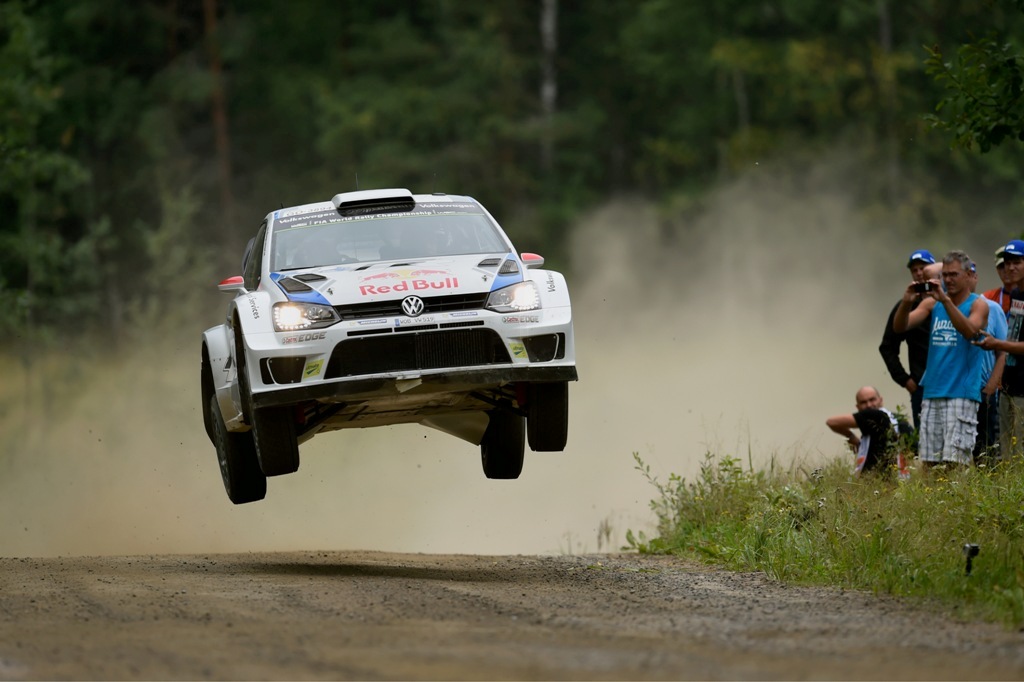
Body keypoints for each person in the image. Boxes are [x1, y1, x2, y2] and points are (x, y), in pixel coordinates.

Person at [893, 250, 989, 469]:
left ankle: (957, 503)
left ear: (968, 275)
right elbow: (900, 326)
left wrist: (946, 301)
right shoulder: (931, 304)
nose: (948, 279)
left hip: (961, 393)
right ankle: (934, 503)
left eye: (954, 274)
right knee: (930, 464)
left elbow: (970, 331)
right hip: (932, 392)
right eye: (945, 275)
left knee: (955, 463)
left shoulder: (978, 304)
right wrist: (907, 302)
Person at [974, 239, 1024, 461]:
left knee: (1020, 449)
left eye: (1017, 262)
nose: (1011, 268)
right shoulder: (1016, 296)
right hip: (1009, 382)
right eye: (1007, 263)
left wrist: (997, 344)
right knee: (1006, 450)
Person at [879, 249, 936, 432]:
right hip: (921, 385)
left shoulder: (950, 301)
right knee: (925, 438)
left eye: (924, 268)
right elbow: (887, 347)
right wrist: (905, 380)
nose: (919, 273)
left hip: (952, 383)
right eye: (915, 270)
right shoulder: (905, 306)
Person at [969, 260, 1007, 463]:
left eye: (970, 275)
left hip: (984, 389)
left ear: (975, 278)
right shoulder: (947, 309)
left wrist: (991, 389)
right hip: (958, 390)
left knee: (986, 447)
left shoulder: (992, 308)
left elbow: (1003, 351)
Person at [826, 386, 911, 477]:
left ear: (880, 400)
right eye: (863, 402)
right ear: (857, 407)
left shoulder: (875, 415)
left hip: (879, 479)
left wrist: (852, 438)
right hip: (901, 478)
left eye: (872, 400)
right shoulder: (899, 419)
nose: (869, 405)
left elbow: (832, 422)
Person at [983, 247, 1015, 315]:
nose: (1006, 270)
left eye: (1009, 265)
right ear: (997, 270)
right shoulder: (987, 298)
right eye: (1002, 266)